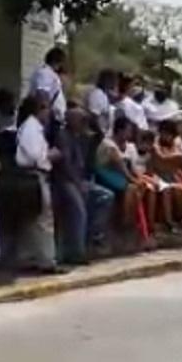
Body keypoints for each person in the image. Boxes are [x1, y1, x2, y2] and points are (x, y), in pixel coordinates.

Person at [53, 107, 114, 264]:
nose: (83, 123)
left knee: (105, 196)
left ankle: (92, 235)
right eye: (80, 120)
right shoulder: (63, 135)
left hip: (81, 179)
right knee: (79, 210)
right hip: (65, 180)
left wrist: (92, 120)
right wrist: (78, 183)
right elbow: (66, 165)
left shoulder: (81, 135)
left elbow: (99, 136)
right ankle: (77, 253)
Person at [15, 95, 63, 272]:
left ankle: (30, 257)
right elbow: (36, 156)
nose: (48, 112)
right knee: (43, 219)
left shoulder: (34, 128)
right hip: (35, 175)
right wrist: (51, 155)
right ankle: (47, 260)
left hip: (33, 175)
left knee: (31, 220)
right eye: (46, 108)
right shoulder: (31, 128)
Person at [151, 120, 182, 230]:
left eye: (169, 134)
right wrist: (178, 157)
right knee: (176, 190)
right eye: (165, 133)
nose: (167, 137)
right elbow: (162, 159)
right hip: (160, 175)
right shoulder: (155, 145)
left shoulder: (175, 144)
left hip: (176, 175)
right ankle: (174, 220)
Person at [26, 47, 68, 122]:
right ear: (56, 61)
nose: (62, 65)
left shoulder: (47, 73)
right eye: (61, 62)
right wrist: (44, 114)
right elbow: (42, 94)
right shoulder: (46, 73)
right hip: (49, 118)